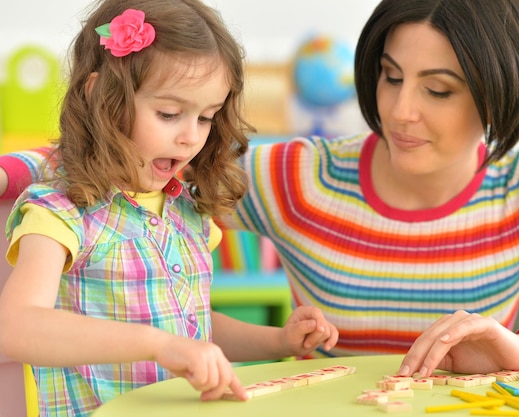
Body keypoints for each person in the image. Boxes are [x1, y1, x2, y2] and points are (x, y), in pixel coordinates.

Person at [1, 0, 519, 382]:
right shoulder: (302, 178)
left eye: (438, 90)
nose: (399, 111)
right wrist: (12, 172)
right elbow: (122, 157)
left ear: (501, 91)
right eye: (389, 76)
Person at [0, 0, 339, 415]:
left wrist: (278, 342)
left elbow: (191, 329)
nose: (190, 138)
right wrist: (157, 345)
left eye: (206, 117)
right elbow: (15, 327)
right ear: (100, 98)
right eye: (170, 113)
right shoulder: (60, 212)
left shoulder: (186, 210)